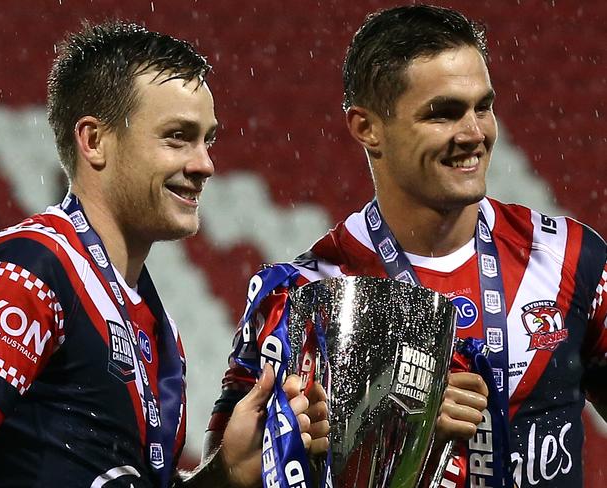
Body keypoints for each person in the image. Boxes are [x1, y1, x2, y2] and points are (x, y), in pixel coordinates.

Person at [205, 5, 607, 488]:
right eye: (443, 113)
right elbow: (232, 471)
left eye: (483, 106)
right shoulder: (306, 294)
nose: (474, 134)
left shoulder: (570, 255)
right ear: (366, 127)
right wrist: (391, 432)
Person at [0, 20, 328, 487]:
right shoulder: (32, 267)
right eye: (177, 136)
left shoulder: (152, 322)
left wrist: (226, 472)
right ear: (94, 141)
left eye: (207, 139)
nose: (205, 165)